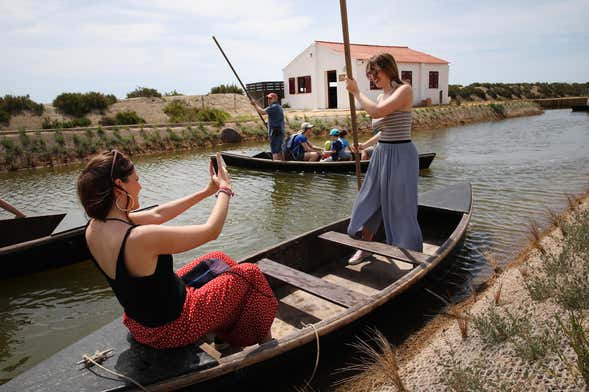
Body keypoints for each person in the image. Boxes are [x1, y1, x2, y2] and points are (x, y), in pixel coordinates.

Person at [77, 150, 277, 349]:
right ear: (119, 186)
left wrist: (207, 191)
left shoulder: (96, 226)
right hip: (173, 328)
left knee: (218, 258)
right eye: (136, 180)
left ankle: (223, 337)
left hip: (140, 324)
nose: (140, 185)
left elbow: (157, 213)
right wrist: (225, 190)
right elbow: (211, 231)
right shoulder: (139, 238)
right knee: (250, 273)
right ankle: (264, 342)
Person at [345, 53, 423, 264]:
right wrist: (365, 145)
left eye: (375, 72)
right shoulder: (380, 96)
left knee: (401, 205)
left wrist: (356, 92)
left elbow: (377, 112)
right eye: (369, 74)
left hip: (401, 155)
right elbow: (384, 130)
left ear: (388, 68)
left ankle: (412, 251)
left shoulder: (404, 90)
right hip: (382, 153)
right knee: (369, 199)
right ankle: (365, 247)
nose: (372, 77)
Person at [252, 92, 285, 161]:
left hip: (275, 132)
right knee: (279, 149)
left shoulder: (274, 107)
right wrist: (268, 123)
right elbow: (275, 118)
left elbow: (262, 112)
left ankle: (276, 165)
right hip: (279, 131)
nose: (268, 100)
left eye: (270, 98)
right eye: (268, 98)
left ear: (275, 99)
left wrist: (254, 105)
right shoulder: (278, 107)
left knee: (274, 151)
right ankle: (282, 163)